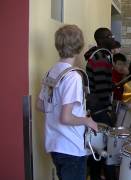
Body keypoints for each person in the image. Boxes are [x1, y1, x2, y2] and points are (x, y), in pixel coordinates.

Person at [36, 24, 98, 180]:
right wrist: (87, 120)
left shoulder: (52, 71)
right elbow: (66, 118)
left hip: (55, 145)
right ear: (79, 47)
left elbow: (40, 105)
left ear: (58, 45)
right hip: (71, 148)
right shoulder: (73, 77)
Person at [84, 27, 114, 180]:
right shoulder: (101, 58)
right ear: (101, 40)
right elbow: (102, 89)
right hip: (100, 109)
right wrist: (109, 110)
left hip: (95, 108)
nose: (112, 37)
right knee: (103, 147)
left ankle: (96, 174)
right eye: (109, 36)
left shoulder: (98, 55)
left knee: (97, 146)